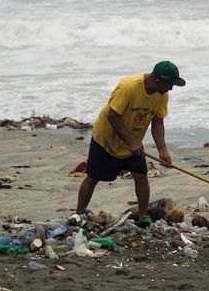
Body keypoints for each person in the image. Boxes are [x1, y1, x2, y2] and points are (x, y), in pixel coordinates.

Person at [75, 60, 186, 227]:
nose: (171, 88)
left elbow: (157, 122)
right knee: (93, 176)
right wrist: (131, 143)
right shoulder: (128, 87)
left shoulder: (162, 95)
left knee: (141, 176)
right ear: (158, 81)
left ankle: (143, 216)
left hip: (133, 140)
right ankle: (78, 214)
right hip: (107, 138)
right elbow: (112, 116)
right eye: (170, 84)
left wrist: (162, 150)